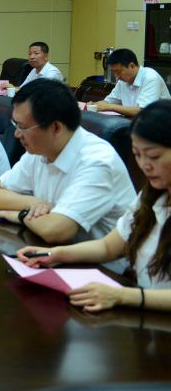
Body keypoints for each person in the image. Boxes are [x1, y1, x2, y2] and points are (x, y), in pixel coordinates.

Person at [17, 101, 171, 312]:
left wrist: (122, 295)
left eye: (153, 156)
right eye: (137, 154)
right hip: (147, 316)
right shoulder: (152, 195)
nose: (144, 165)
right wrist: (55, 254)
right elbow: (109, 247)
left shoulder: (99, 160)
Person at [0, 79, 135, 245]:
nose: (17, 134)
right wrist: (33, 203)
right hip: (52, 250)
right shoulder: (39, 150)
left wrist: (19, 214)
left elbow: (55, 231)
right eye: (15, 124)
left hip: (98, 260)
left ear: (56, 128)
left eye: (23, 127)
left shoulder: (97, 161)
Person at [95, 48, 171, 117]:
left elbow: (143, 111)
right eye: (113, 72)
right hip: (136, 122)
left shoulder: (151, 77)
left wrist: (110, 107)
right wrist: (94, 105)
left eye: (118, 72)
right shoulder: (122, 81)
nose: (116, 76)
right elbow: (109, 101)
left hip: (161, 124)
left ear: (132, 66)